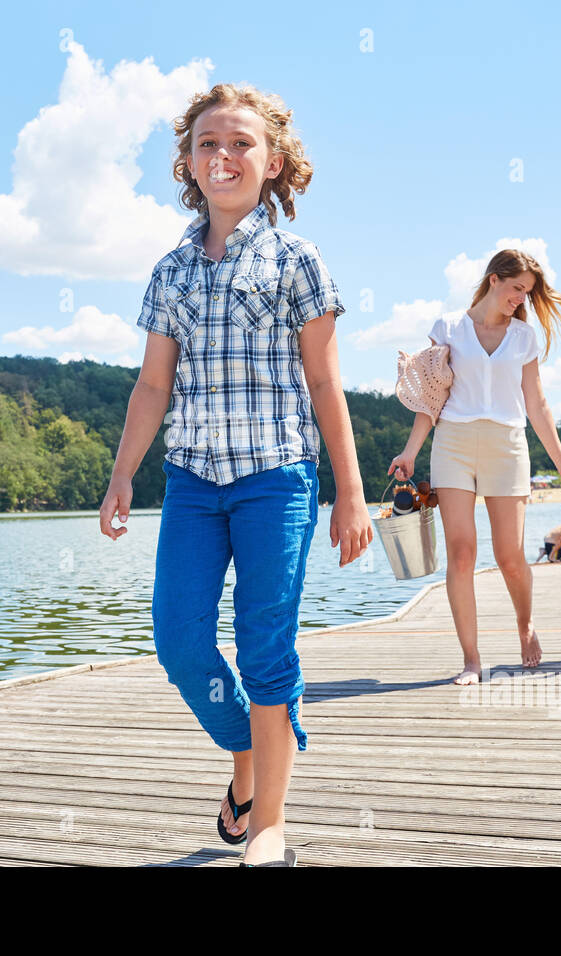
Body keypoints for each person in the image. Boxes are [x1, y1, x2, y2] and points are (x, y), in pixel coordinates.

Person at [98, 84, 371, 867]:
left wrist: (350, 494)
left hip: (276, 478)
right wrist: (123, 477)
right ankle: (247, 755)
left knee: (265, 648)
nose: (225, 155)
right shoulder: (170, 271)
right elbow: (153, 386)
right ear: (189, 163)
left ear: (272, 162)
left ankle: (270, 824)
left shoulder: (297, 261)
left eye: (242, 143)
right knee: (180, 640)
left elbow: (325, 384)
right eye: (208, 143)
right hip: (190, 482)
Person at [389, 250, 561, 684]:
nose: (521, 299)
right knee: (462, 553)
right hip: (453, 444)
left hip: (507, 445)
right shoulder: (449, 327)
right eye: (517, 288)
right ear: (494, 279)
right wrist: (409, 452)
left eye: (528, 293)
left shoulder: (523, 338)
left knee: (510, 557)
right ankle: (472, 660)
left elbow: (537, 405)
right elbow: (431, 397)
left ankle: (525, 625)